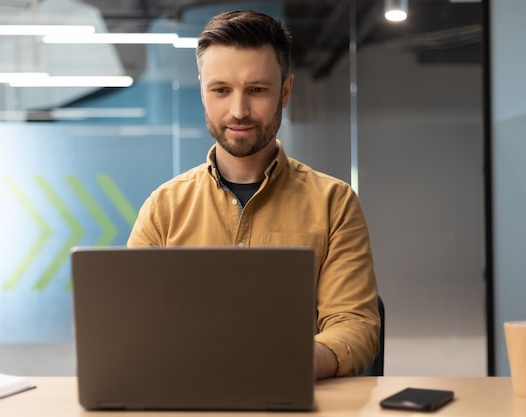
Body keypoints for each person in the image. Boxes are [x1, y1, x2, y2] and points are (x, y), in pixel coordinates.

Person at [127, 9, 380, 379]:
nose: (239, 110)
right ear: (203, 92)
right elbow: (130, 324)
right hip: (189, 393)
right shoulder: (164, 208)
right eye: (221, 90)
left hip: (293, 392)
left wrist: (285, 362)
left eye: (257, 90)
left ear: (286, 92)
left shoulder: (334, 203)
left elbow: (355, 326)